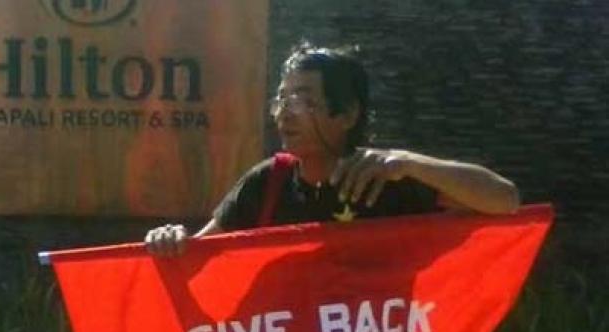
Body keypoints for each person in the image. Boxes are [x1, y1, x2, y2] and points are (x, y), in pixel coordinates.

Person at [145, 41, 520, 256]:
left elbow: (505, 201)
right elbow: (198, 254)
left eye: (303, 100)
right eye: (282, 99)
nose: (285, 113)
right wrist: (171, 242)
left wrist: (410, 163)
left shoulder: (389, 180)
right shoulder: (267, 183)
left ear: (347, 114)